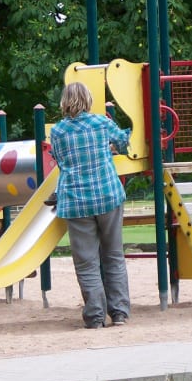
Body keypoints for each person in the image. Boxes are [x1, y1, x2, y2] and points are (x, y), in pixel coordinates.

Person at [50, 82, 132, 329]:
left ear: (65, 101)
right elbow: (124, 141)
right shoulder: (102, 123)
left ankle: (95, 317)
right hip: (107, 195)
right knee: (114, 255)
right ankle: (119, 313)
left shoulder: (58, 131)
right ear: (87, 99)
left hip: (76, 201)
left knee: (86, 263)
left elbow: (59, 158)